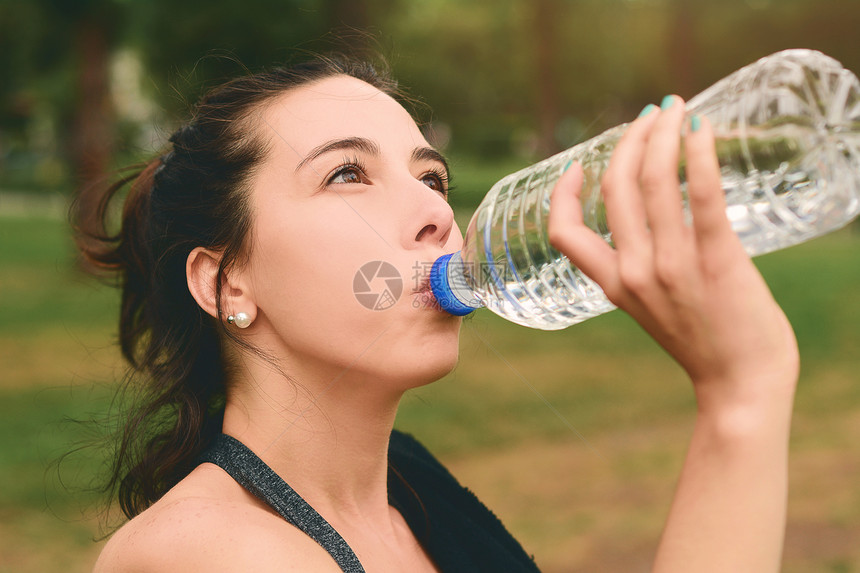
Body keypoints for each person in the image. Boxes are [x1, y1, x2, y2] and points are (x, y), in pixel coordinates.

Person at [76, 55, 798, 572]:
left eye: (432, 177)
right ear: (228, 282)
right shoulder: (202, 552)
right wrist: (743, 394)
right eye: (347, 174)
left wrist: (748, 391)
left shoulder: (416, 491)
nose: (434, 212)